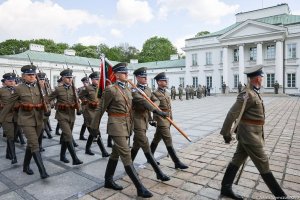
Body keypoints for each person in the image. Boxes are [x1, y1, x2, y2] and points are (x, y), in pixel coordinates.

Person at [220, 65, 289, 199]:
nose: (262, 79)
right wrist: (226, 133)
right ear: (257, 78)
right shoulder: (247, 94)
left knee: (237, 159)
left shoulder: (254, 92)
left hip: (250, 134)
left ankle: (225, 188)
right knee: (263, 163)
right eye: (262, 77)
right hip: (250, 136)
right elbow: (232, 114)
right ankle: (281, 196)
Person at [100, 63, 153, 198]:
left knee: (115, 154)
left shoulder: (128, 90)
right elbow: (101, 109)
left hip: (127, 125)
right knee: (126, 155)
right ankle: (140, 188)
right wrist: (94, 128)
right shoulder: (111, 90)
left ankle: (108, 180)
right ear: (117, 75)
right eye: (124, 73)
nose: (127, 75)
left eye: (127, 73)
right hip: (116, 126)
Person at [0, 65, 49, 179]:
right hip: (26, 119)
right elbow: (8, 106)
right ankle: (42, 171)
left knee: (31, 144)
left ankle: (25, 166)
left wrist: (48, 109)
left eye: (33, 74)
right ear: (23, 76)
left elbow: (45, 100)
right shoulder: (18, 88)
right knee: (34, 143)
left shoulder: (40, 86)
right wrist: (1, 120)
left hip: (39, 119)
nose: (32, 77)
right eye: (29, 75)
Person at [131, 67, 170, 181]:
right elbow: (144, 102)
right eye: (143, 77)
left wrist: (152, 105)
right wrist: (157, 110)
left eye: (146, 76)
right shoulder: (134, 90)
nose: (145, 78)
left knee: (137, 144)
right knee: (144, 143)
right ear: (137, 78)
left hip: (145, 118)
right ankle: (158, 172)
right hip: (137, 119)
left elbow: (155, 99)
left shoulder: (147, 89)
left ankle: (128, 164)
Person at [150, 72, 188, 169]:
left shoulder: (166, 92)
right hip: (161, 119)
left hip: (168, 118)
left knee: (157, 138)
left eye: (166, 80)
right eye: (163, 80)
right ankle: (177, 162)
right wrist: (154, 119)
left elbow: (168, 107)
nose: (166, 81)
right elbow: (155, 106)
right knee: (168, 139)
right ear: (158, 82)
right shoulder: (155, 93)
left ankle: (149, 157)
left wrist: (171, 117)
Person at [48, 69, 83, 165]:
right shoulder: (58, 89)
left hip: (71, 115)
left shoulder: (73, 88)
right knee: (68, 135)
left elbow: (77, 100)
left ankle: (62, 156)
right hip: (62, 115)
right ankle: (75, 158)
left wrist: (79, 108)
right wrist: (51, 106)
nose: (70, 79)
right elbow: (47, 99)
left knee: (65, 136)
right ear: (62, 78)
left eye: (71, 77)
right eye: (68, 77)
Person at [78, 72, 109, 157]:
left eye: (99, 79)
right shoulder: (87, 88)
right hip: (89, 112)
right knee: (96, 131)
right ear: (91, 80)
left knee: (92, 132)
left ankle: (87, 149)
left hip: (97, 112)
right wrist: (88, 102)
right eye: (96, 79)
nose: (98, 80)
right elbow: (80, 96)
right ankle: (103, 151)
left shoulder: (101, 88)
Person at [0, 73, 18, 164]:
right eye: (10, 81)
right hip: (6, 117)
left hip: (17, 117)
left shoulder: (18, 90)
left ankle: (8, 153)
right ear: (5, 81)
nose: (12, 82)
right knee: (10, 136)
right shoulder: (1, 91)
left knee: (13, 137)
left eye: (13, 81)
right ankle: (14, 157)